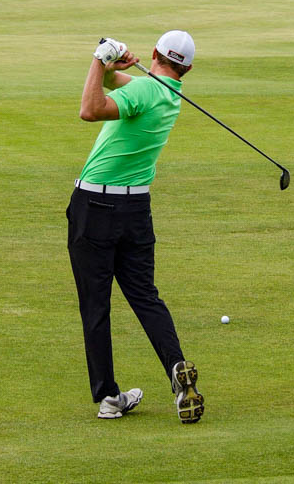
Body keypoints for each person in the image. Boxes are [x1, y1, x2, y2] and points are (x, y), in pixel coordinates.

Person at [69, 31, 205, 425]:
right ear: (188, 69)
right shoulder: (168, 95)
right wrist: (113, 69)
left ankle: (109, 397)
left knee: (95, 304)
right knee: (145, 296)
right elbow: (118, 89)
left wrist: (98, 60)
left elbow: (90, 110)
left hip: (94, 206)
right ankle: (176, 367)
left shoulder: (145, 92)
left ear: (154, 54)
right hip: (135, 209)